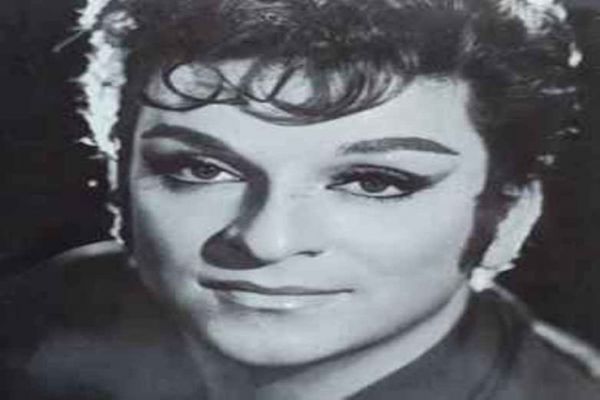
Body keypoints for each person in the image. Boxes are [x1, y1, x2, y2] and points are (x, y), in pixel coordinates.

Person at [1, 0, 600, 398]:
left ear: (508, 217)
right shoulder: (44, 314)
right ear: (119, 180)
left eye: (373, 182)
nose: (268, 241)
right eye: (201, 169)